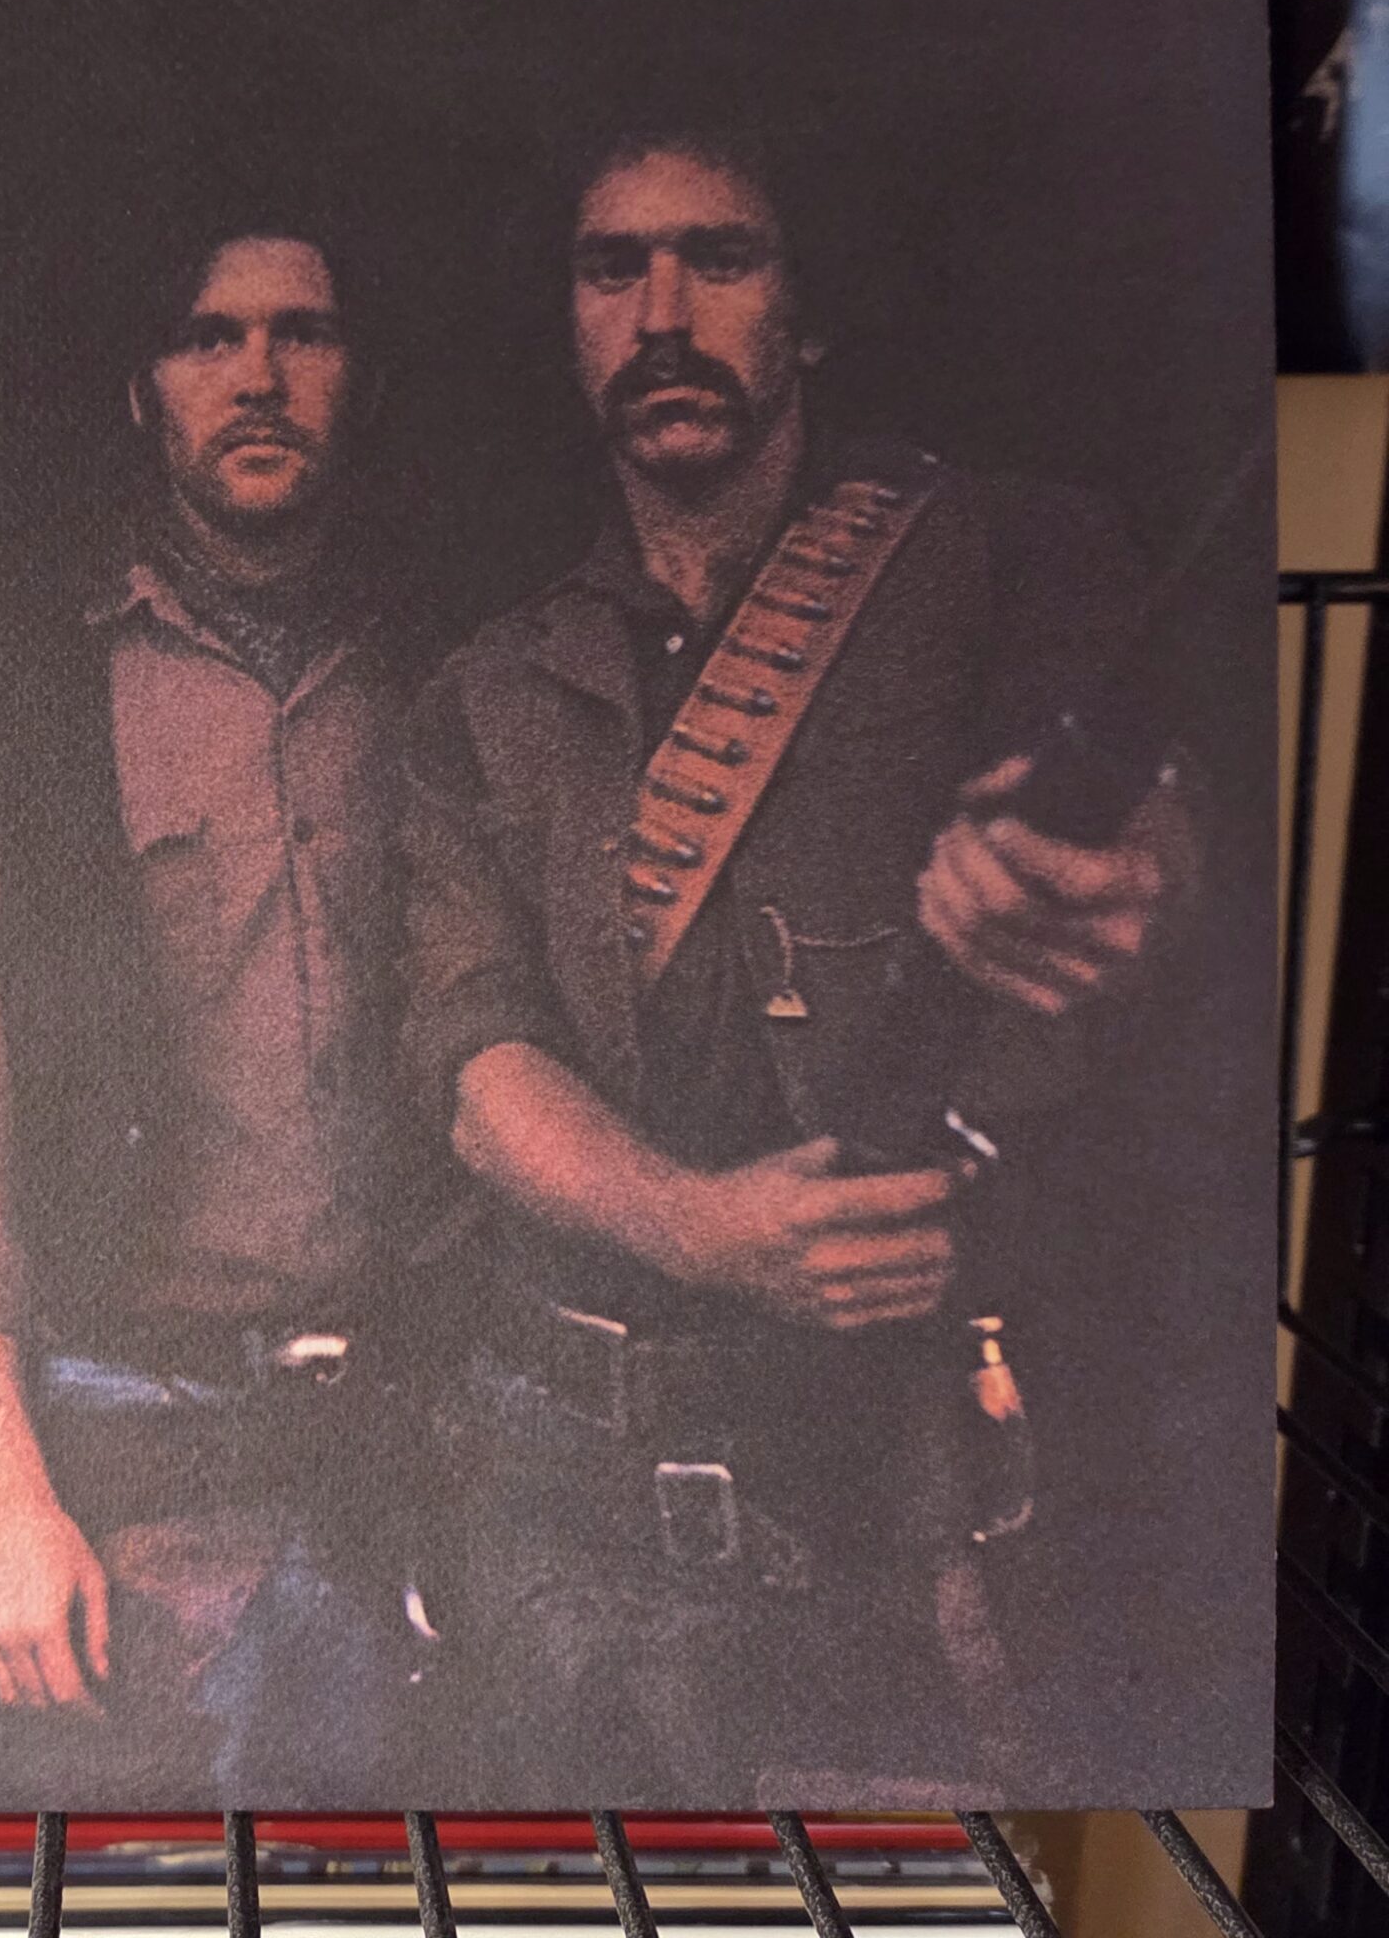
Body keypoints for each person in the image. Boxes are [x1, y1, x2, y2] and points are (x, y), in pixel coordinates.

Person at [401, 130, 1186, 1803]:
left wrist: (1118, 881)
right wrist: (696, 1223)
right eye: (612, 270)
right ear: (571, 324)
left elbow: (1156, 848)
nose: (662, 314)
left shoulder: (1003, 561)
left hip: (927, 1497)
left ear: (807, 314)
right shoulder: (491, 689)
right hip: (581, 1514)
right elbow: (473, 1056)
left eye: (722, 258)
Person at [0, 232, 424, 1803]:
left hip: (406, 1450)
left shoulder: (433, 662)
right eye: (207, 340)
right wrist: (7, 1497)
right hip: (126, 1455)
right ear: (143, 392)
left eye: (303, 335)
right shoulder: (16, 674)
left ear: (363, 380)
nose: (257, 378)